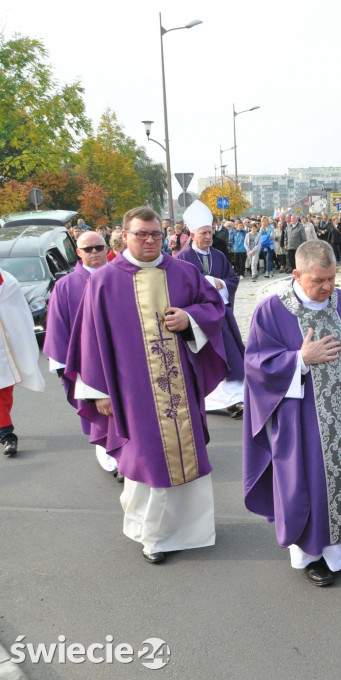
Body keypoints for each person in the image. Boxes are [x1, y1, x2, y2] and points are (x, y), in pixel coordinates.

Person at [65, 206, 227, 564]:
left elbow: (214, 308)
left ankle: (192, 529)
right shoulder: (105, 281)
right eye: (141, 234)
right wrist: (99, 391)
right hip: (133, 391)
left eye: (155, 234)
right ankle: (155, 536)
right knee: (148, 459)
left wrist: (190, 318)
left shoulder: (183, 272)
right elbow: (90, 340)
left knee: (186, 453)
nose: (150, 240)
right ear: (125, 236)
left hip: (181, 387)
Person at [243, 240, 341, 586]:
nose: (328, 287)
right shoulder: (272, 310)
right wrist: (299, 359)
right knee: (308, 485)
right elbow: (256, 367)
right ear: (297, 274)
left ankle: (338, 555)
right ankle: (309, 556)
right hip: (300, 421)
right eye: (319, 281)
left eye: (332, 278)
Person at [42, 231, 119, 475]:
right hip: (87, 364)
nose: (94, 252)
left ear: (106, 248)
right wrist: (63, 367)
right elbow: (56, 328)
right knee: (101, 411)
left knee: (126, 409)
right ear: (78, 252)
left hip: (121, 360)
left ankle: (130, 456)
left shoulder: (120, 277)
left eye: (98, 247)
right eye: (88, 249)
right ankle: (112, 460)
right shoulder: (64, 287)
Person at [178, 201, 247, 419]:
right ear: (192, 233)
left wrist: (221, 283)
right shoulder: (182, 259)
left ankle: (235, 400)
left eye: (210, 232)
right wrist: (204, 283)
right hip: (198, 319)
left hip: (222, 317)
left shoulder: (218, 256)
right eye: (204, 233)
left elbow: (232, 279)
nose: (208, 237)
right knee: (207, 359)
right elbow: (178, 289)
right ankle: (210, 401)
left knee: (231, 356)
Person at [0, 269, 45, 457]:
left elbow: (14, 308)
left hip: (5, 342)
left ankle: (4, 427)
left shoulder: (8, 280)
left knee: (5, 389)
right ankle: (7, 433)